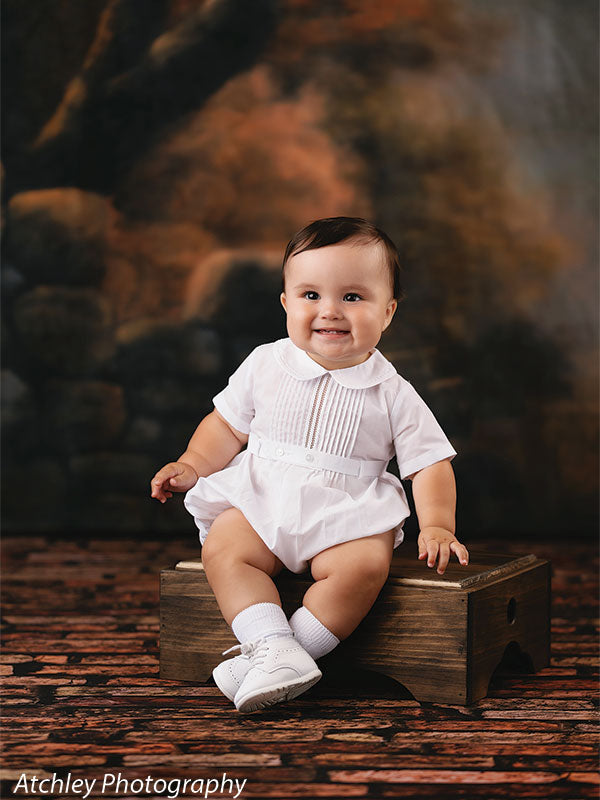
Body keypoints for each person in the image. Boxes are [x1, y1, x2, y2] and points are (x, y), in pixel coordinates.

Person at [151, 216, 469, 713]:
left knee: (365, 566)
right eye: (311, 295)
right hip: (264, 495)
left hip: (349, 510)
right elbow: (226, 427)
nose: (330, 312)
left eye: (353, 297)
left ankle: (283, 653)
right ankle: (271, 643)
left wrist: (438, 525)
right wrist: (193, 464)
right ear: (286, 303)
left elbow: (429, 464)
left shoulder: (393, 393)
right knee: (225, 549)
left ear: (387, 312)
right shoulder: (265, 363)